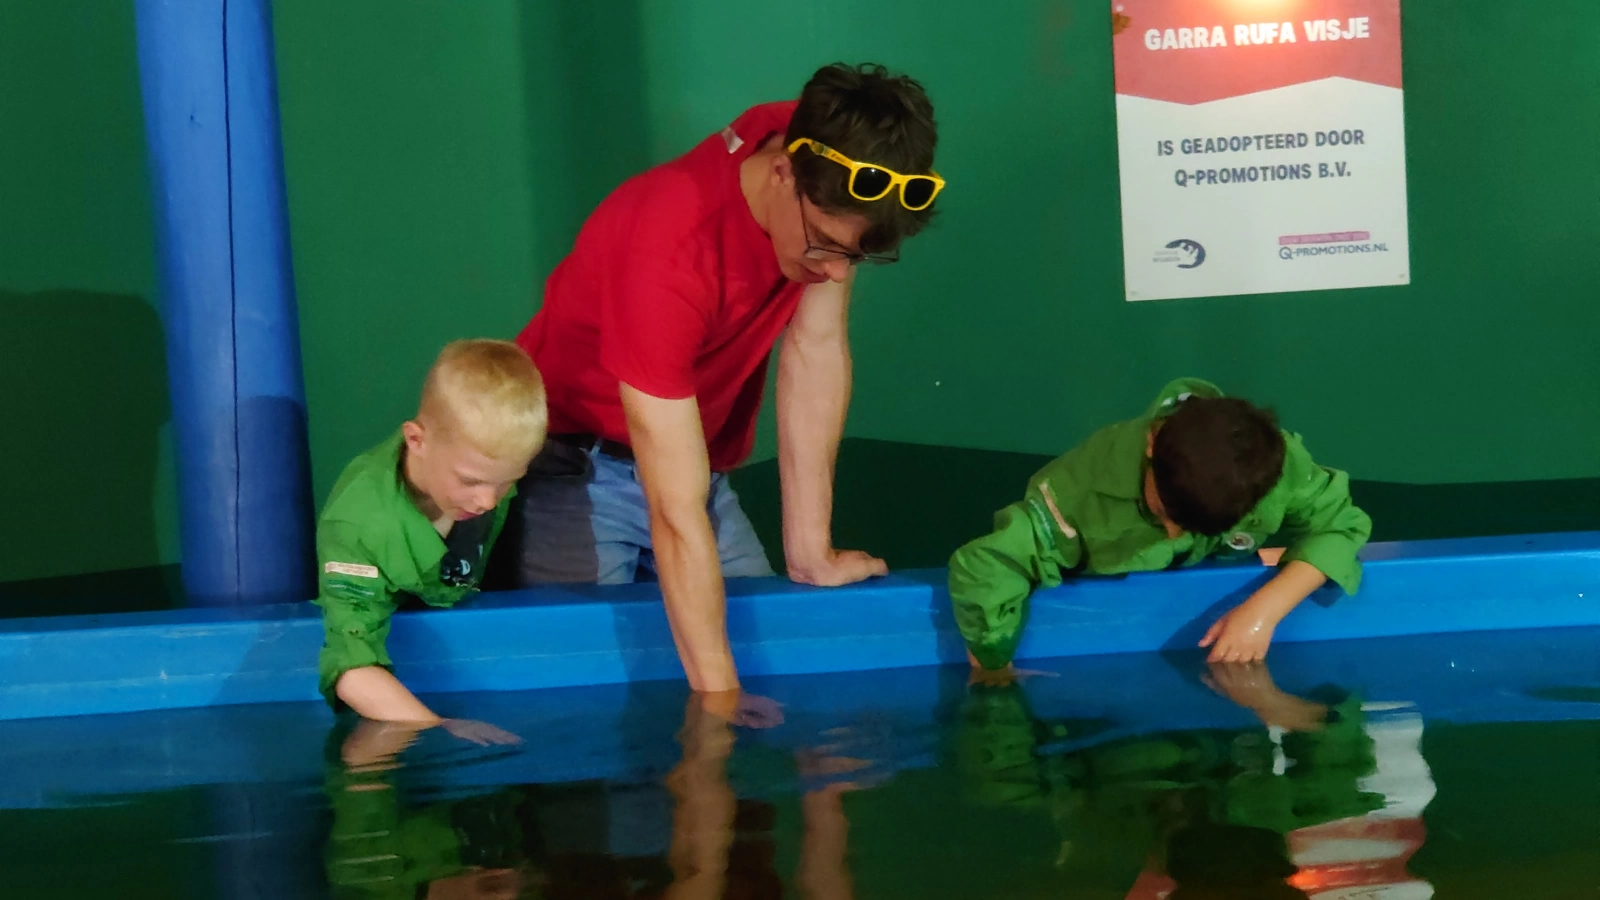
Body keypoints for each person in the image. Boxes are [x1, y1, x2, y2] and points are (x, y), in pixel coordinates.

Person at [510, 63, 945, 705]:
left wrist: (811, 552)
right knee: (588, 697)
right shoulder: (667, 244)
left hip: (699, 466)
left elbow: (816, 344)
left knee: (775, 676)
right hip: (574, 459)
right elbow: (672, 507)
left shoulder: (818, 148)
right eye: (825, 245)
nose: (833, 271)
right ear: (782, 174)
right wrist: (719, 705)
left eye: (852, 255)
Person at [950, 378, 1372, 675]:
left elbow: (1341, 525)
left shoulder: (1273, 463)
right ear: (1153, 442)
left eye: (1191, 526)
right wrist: (993, 663)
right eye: (1164, 514)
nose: (1172, 533)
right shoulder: (1076, 493)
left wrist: (1264, 611)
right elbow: (985, 565)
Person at [314, 339, 546, 736]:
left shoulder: (483, 475)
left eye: (509, 480)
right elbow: (350, 666)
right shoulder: (359, 524)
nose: (489, 500)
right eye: (471, 481)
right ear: (416, 440)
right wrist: (438, 726)